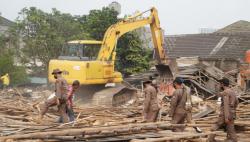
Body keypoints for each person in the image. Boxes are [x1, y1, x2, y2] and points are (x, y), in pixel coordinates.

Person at [208, 78, 238, 142]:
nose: (219, 85)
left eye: (220, 84)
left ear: (222, 84)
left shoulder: (225, 92)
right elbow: (237, 102)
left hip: (225, 114)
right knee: (231, 128)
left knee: (216, 125)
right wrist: (233, 110)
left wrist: (226, 117)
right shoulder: (232, 91)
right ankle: (234, 140)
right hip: (232, 113)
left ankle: (210, 139)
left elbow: (226, 105)